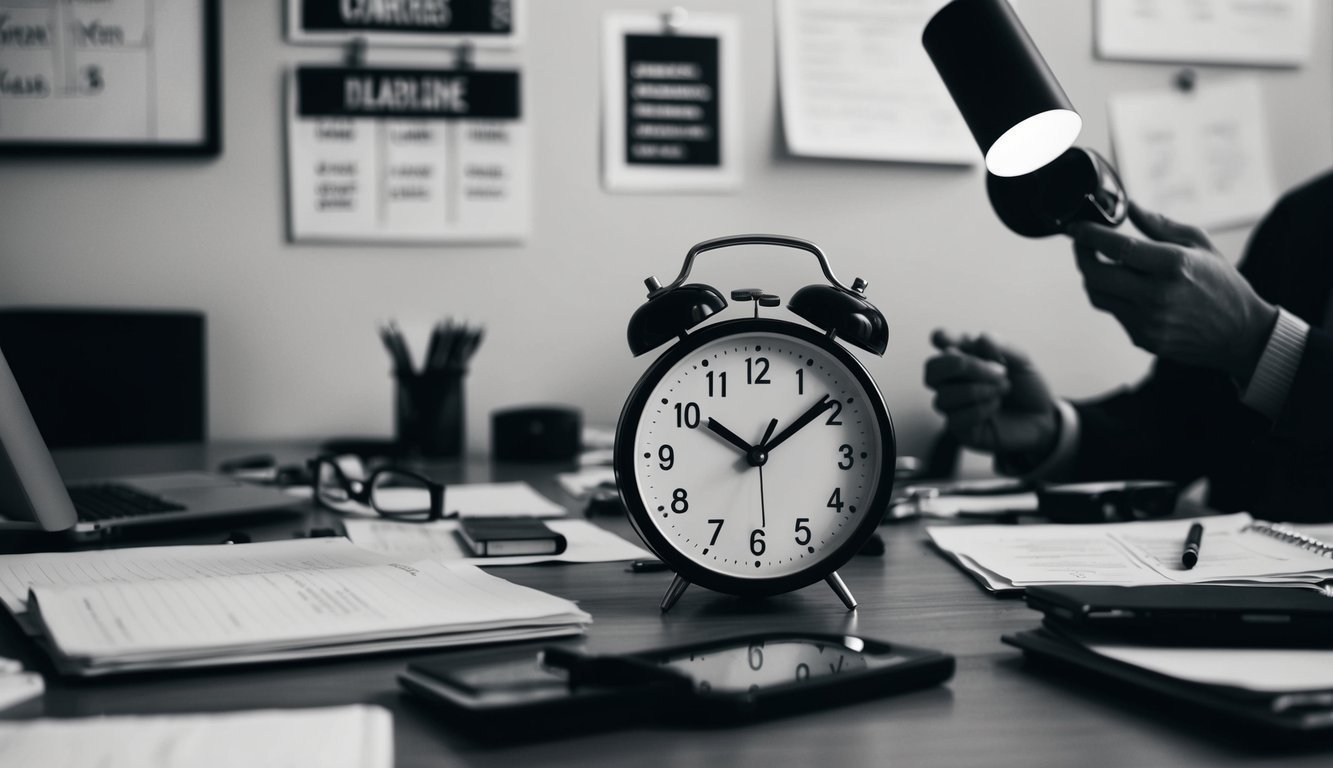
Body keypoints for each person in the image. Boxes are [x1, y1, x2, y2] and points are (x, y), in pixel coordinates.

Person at [923, 172, 1333, 522]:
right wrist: (1052, 431)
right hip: (1235, 584)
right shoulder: (1308, 215)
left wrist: (1260, 343)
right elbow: (1182, 426)